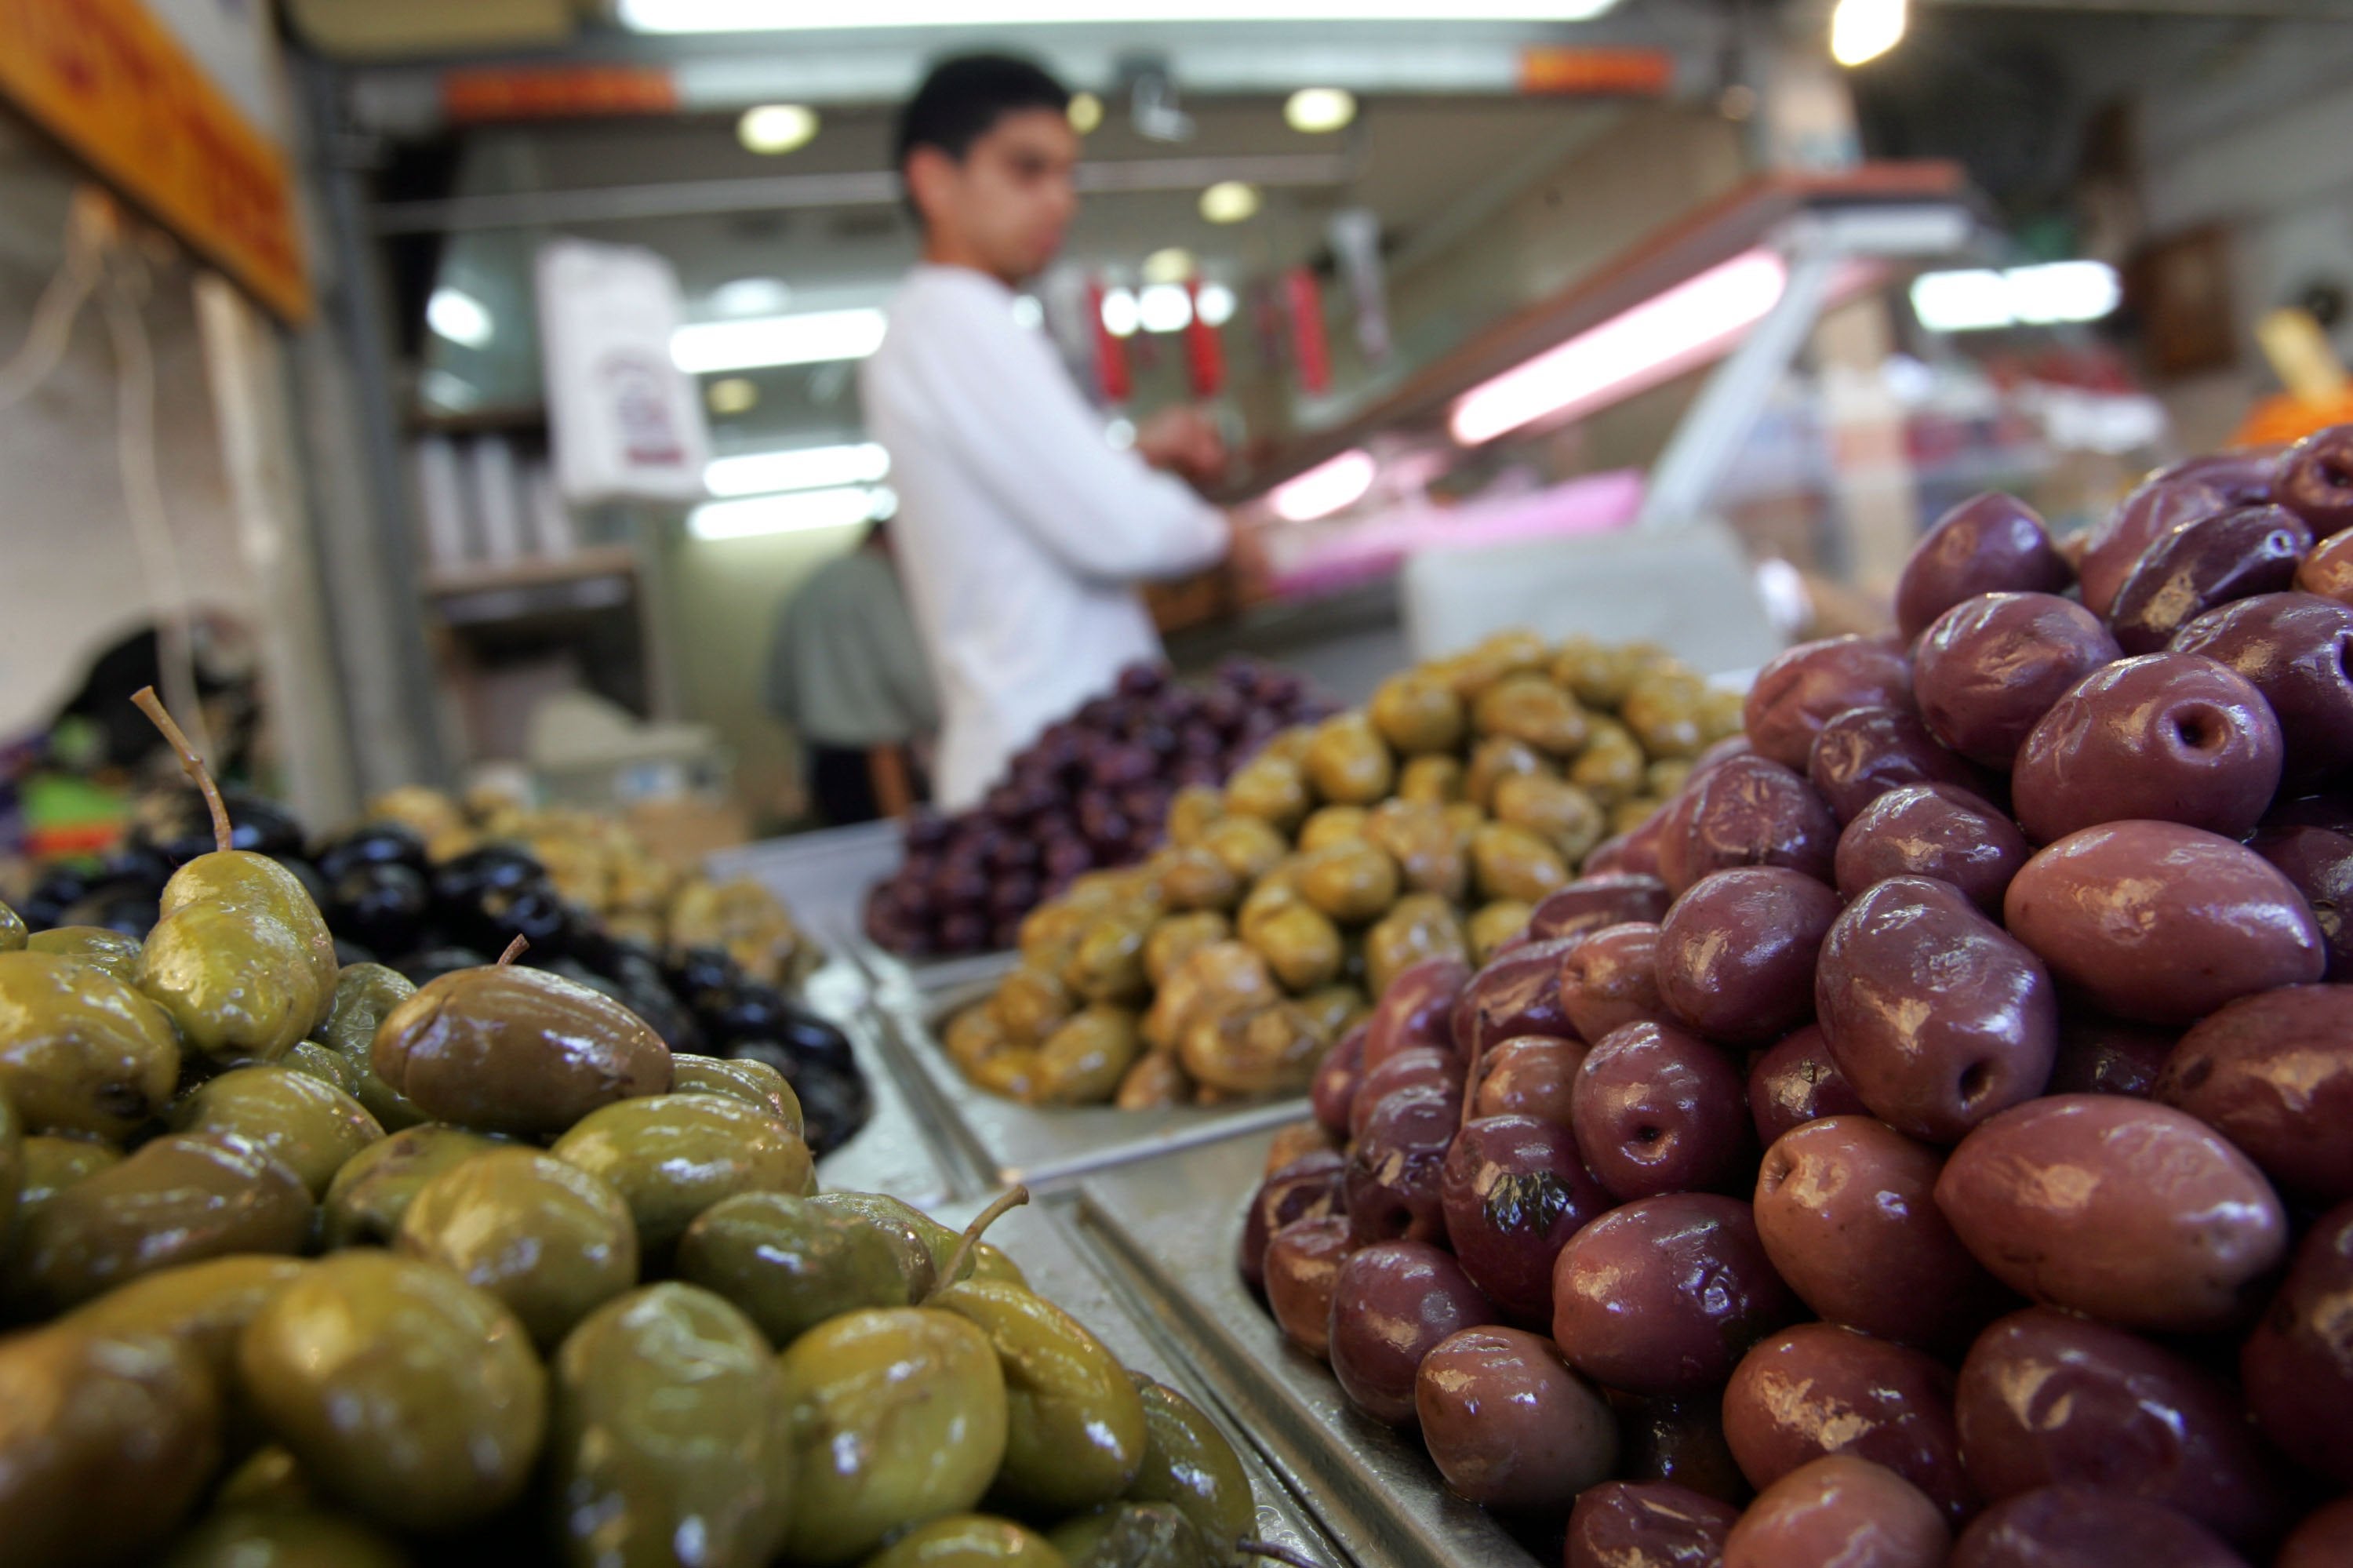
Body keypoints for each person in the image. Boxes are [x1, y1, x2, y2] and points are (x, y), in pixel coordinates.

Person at [862, 53, 1242, 812]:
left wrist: (1132, 456)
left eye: (1068, 176)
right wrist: (1227, 533)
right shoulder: (956, 317)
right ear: (934, 180)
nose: (1060, 202)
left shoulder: (951, 323)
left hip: (1060, 766)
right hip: (1054, 777)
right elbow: (1120, 530)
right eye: (1027, 171)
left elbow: (1030, 497)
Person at [764, 522, 940, 824]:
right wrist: (942, 723)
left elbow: (775, 690)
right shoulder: (878, 581)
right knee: (902, 853)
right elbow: (906, 671)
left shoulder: (813, 582)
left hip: (822, 758)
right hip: (881, 762)